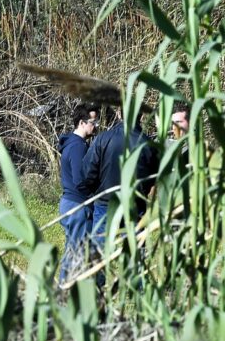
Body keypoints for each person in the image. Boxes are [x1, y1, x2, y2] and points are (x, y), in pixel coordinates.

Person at [77, 108, 159, 250]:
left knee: (99, 253)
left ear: (119, 114)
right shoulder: (148, 143)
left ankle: (98, 271)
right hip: (135, 204)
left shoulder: (103, 138)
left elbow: (87, 172)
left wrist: (93, 192)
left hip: (106, 203)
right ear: (140, 116)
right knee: (135, 253)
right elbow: (154, 177)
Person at [56, 104, 99, 281]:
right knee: (75, 252)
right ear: (82, 123)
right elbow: (80, 180)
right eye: (93, 122)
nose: (96, 125)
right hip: (77, 205)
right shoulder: (77, 147)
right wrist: (95, 194)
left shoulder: (75, 144)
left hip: (70, 203)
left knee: (76, 250)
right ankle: (63, 292)